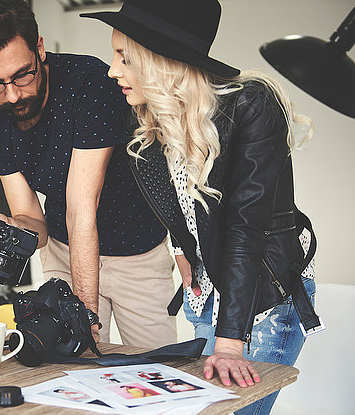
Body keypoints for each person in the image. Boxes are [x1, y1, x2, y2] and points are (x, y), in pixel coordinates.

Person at [81, 1, 324, 414]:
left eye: (124, 57)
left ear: (161, 60)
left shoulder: (253, 103)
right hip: (207, 295)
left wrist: (231, 341)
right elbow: (177, 202)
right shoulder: (154, 118)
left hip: (264, 301)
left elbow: (248, 227)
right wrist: (182, 250)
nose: (112, 70)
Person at [0, 0, 176, 348]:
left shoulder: (91, 87)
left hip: (137, 257)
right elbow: (33, 222)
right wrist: (14, 230)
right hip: (62, 250)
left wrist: (83, 316)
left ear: (39, 48)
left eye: (21, 75)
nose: (11, 95)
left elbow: (81, 212)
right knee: (66, 367)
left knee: (157, 371)